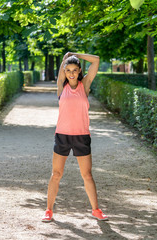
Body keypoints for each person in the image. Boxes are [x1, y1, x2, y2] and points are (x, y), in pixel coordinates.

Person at [42, 52, 108, 222]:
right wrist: (66, 58)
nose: (71, 73)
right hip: (62, 136)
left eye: (74, 70)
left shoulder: (84, 85)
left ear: (79, 71)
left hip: (82, 136)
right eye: (68, 70)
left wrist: (75, 54)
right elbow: (63, 68)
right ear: (64, 71)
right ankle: (48, 210)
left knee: (87, 175)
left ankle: (96, 210)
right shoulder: (60, 86)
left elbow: (96, 60)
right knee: (56, 174)